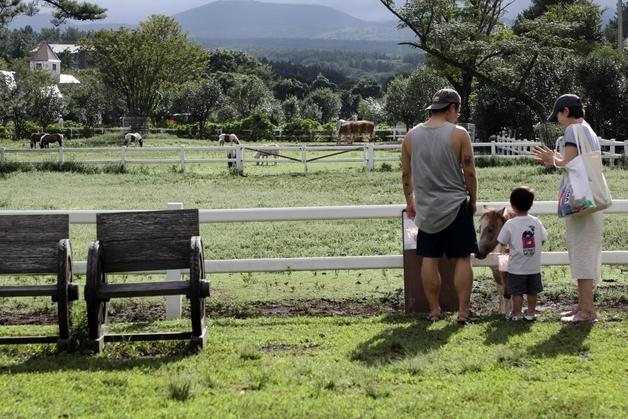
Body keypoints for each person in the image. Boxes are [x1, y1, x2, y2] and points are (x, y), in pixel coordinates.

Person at [401, 88, 479, 324]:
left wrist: (410, 201)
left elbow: (406, 175)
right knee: (463, 258)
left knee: (429, 258)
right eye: (458, 109)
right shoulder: (459, 134)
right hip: (455, 204)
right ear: (452, 108)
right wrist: (473, 200)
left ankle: (434, 310)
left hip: (426, 208)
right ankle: (463, 311)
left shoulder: (410, 137)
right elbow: (470, 172)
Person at [531, 94, 603, 323]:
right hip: (590, 197)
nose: (558, 120)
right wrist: (556, 159)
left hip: (580, 200)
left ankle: (586, 310)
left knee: (581, 252)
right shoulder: (587, 129)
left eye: (558, 115)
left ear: (565, 111)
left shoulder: (572, 130)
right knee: (586, 251)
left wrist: (552, 158)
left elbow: (569, 162)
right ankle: (583, 305)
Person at [497, 187, 548, 321]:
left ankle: (517, 314)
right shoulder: (536, 222)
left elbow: (502, 241)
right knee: (532, 292)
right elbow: (543, 238)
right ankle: (531, 314)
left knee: (517, 292)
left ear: (512, 206)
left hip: (516, 267)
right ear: (531, 205)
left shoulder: (510, 224)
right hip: (533, 266)